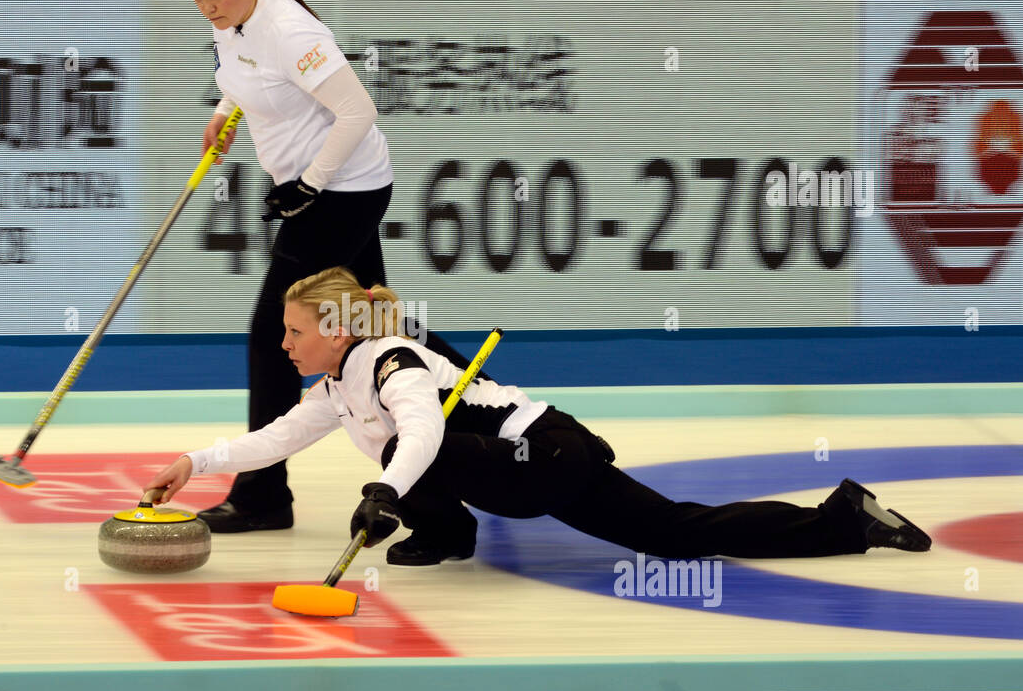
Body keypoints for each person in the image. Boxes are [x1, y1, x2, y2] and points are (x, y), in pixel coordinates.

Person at [145, 267, 933, 566]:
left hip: (544, 456)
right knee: (676, 535)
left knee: (414, 454)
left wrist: (386, 493)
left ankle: (450, 532)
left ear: (339, 328)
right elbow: (274, 437)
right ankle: (844, 520)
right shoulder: (335, 388)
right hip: (539, 466)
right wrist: (196, 462)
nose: (282, 343)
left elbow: (421, 433)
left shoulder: (393, 363)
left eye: (295, 330)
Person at [175, 0, 479, 534]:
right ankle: (491, 409)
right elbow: (245, 70)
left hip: (342, 192)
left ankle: (262, 496)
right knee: (377, 323)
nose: (207, 8)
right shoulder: (238, 20)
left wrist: (309, 184)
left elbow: (356, 110)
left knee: (273, 334)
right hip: (323, 191)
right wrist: (225, 111)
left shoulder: (290, 29)